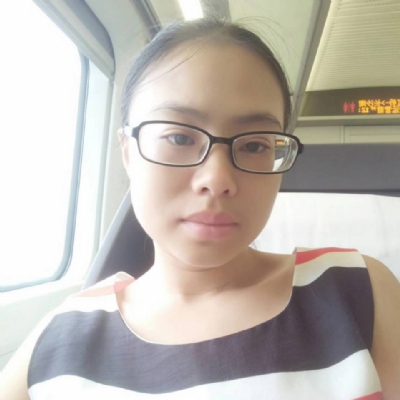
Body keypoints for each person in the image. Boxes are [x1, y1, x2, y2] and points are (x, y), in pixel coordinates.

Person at [2, 18, 400, 400]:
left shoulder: (356, 289)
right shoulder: (60, 342)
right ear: (128, 152)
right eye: (179, 137)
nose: (218, 178)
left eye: (255, 145)